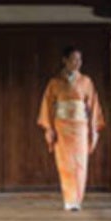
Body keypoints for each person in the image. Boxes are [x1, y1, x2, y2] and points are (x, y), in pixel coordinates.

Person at [38, 44, 104, 211]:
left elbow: (93, 105)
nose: (77, 63)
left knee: (81, 162)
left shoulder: (86, 81)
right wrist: (49, 128)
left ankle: (78, 199)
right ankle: (69, 200)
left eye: (79, 59)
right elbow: (47, 105)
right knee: (65, 163)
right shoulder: (54, 83)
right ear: (65, 60)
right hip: (61, 125)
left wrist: (93, 128)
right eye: (74, 59)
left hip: (80, 127)